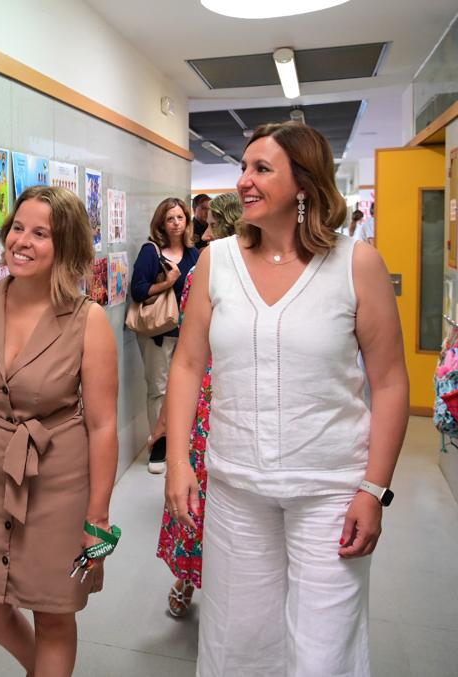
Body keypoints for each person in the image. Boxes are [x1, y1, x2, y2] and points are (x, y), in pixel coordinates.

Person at [165, 121, 409, 675]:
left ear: (304, 184)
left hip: (329, 489)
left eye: (261, 168)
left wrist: (374, 488)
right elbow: (186, 364)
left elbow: (391, 381)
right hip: (236, 486)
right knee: (238, 643)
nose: (243, 181)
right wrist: (179, 461)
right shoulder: (217, 262)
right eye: (243, 167)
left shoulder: (356, 264)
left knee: (325, 652)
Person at [0, 186, 119, 675]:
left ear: (66, 246)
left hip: (60, 480)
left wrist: (97, 519)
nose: (22, 241)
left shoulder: (87, 321)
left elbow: (103, 423)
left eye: (40, 233)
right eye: (17, 228)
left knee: (53, 611)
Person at [149, 192, 242, 619]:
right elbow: (187, 357)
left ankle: (228, 586)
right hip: (206, 400)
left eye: (210, 223)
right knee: (196, 497)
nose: (202, 230)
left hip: (238, 400)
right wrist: (169, 426)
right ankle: (186, 579)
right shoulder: (208, 269)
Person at [130, 197, 199, 472]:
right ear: (161, 222)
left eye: (180, 218)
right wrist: (168, 283)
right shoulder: (151, 252)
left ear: (187, 220)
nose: (176, 223)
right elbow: (138, 290)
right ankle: (159, 446)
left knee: (184, 389)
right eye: (170, 218)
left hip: (187, 333)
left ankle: (180, 446)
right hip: (158, 332)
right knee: (159, 390)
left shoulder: (195, 253)